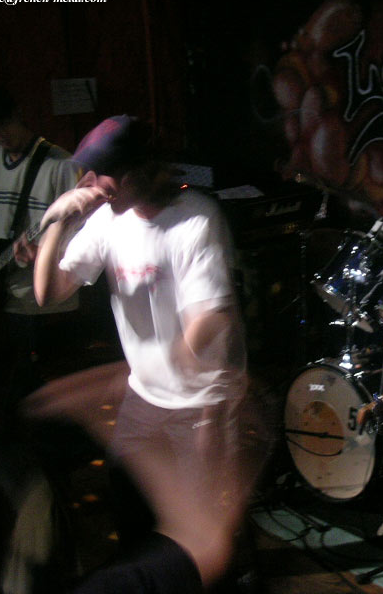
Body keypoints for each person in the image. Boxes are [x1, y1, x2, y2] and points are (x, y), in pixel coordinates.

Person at [31, 115, 267, 590]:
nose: (94, 186)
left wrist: (180, 353)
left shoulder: (194, 217)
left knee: (201, 537)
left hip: (201, 399)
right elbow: (47, 292)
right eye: (89, 175)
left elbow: (209, 315)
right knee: (130, 514)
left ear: (139, 172)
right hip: (145, 398)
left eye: (105, 175)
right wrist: (58, 221)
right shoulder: (107, 221)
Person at [0, 84, 80, 406]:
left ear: (18, 114)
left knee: (34, 395)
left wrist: (47, 254)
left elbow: (82, 237)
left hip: (37, 303)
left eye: (3, 124)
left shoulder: (62, 165)